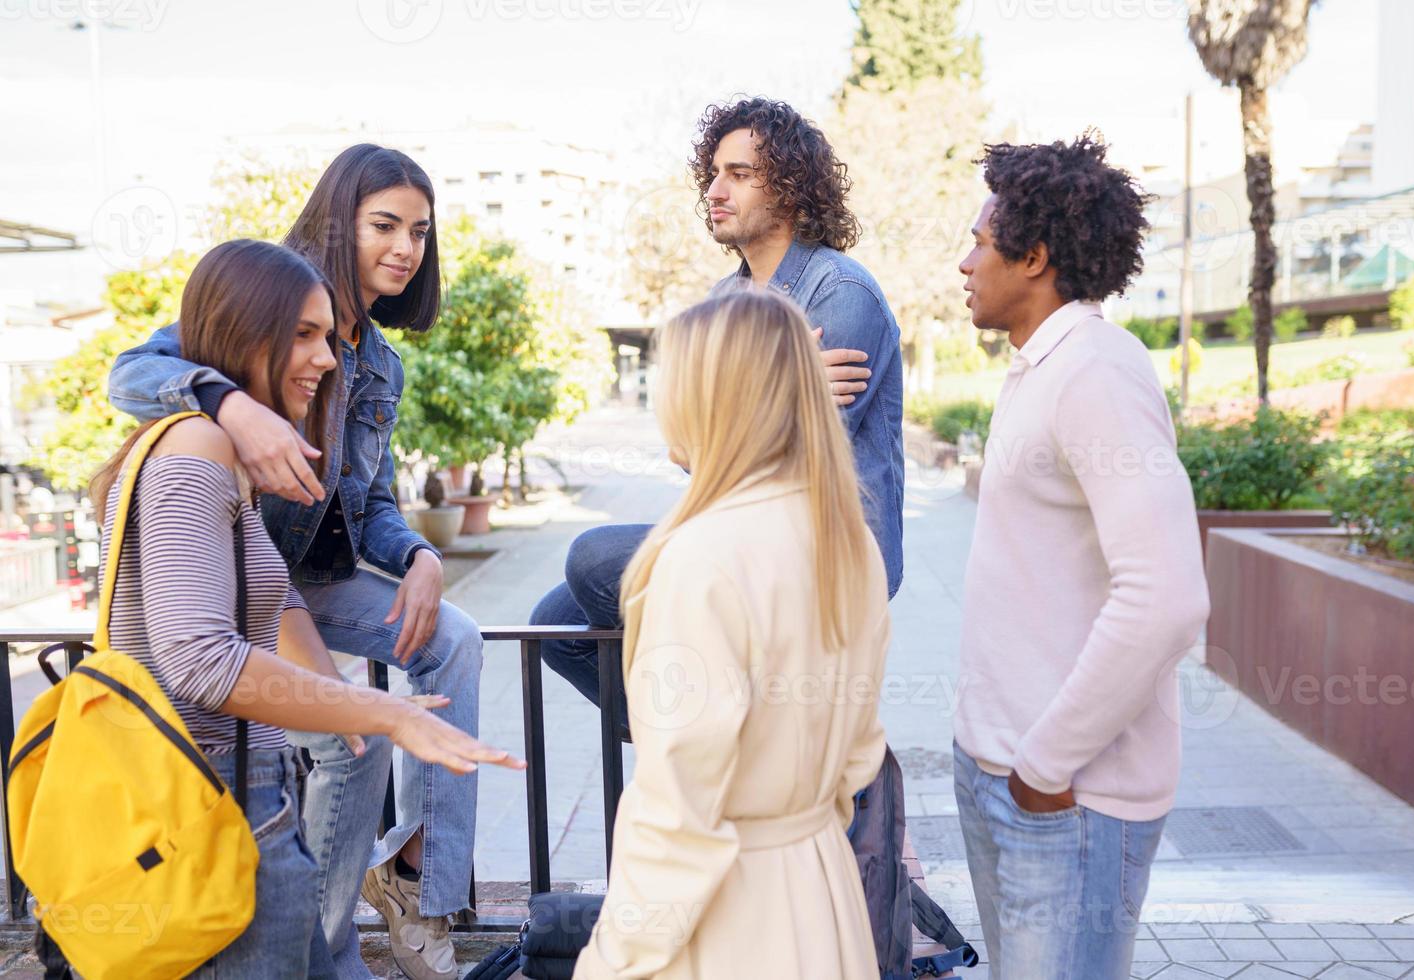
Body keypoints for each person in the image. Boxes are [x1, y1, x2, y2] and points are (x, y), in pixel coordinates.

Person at [89, 239, 523, 978]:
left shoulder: (225, 455)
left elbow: (277, 593)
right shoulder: (197, 446)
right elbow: (199, 660)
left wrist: (344, 706)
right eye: (303, 335)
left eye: (327, 336)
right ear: (242, 334)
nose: (327, 359)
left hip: (248, 799)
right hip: (206, 806)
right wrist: (386, 714)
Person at [532, 97, 904, 725]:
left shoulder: (840, 292)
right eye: (713, 172)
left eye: (739, 174)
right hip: (740, 531)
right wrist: (786, 384)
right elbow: (688, 447)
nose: (715, 189)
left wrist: (716, 424)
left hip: (819, 550)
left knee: (594, 560)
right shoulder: (726, 297)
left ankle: (734, 743)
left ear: (789, 188)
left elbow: (788, 462)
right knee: (554, 624)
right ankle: (713, 734)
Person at [951, 135, 1211, 979]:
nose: (965, 262)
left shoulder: (1097, 371)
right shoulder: (1042, 368)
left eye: (981, 243)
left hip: (1067, 805)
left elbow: (1168, 598)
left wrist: (1043, 767)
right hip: (1010, 778)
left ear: (1034, 257)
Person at [572, 290, 890, 979]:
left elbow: (677, 809)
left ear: (712, 397)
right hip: (821, 890)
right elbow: (859, 755)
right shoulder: (849, 541)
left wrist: (612, 960)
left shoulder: (702, 558)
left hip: (731, 920)